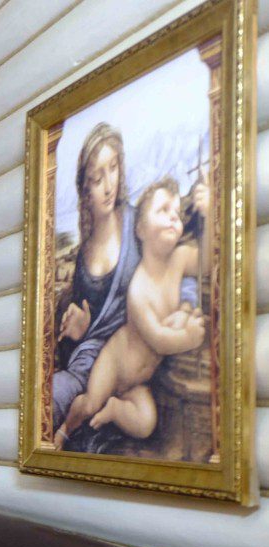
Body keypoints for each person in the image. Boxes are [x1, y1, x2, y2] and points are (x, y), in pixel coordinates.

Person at [53, 178, 205, 448]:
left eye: (177, 213)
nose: (173, 217)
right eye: (163, 210)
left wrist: (210, 212)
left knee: (145, 423)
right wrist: (189, 338)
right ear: (141, 229)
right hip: (114, 364)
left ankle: (114, 409)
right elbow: (159, 340)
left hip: (138, 382)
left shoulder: (180, 258)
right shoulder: (139, 288)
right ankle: (65, 429)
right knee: (89, 404)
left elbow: (209, 261)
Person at [51, 123, 141, 432]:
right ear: (85, 191)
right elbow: (79, 339)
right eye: (97, 178)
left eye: (113, 168)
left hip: (131, 358)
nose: (108, 186)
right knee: (53, 397)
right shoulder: (83, 255)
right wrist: (78, 331)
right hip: (87, 368)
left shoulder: (136, 225)